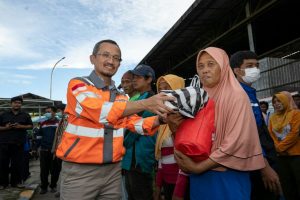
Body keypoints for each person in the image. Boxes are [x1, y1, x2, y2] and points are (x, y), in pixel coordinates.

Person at [55, 39, 173, 200]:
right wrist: (146, 103)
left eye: (116, 58)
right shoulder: (78, 85)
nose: (111, 61)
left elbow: (134, 123)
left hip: (113, 171)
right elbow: (101, 112)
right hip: (80, 172)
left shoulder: (120, 97)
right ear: (93, 58)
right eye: (106, 55)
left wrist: (161, 120)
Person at [169, 47, 265, 200]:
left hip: (227, 175)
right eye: (201, 66)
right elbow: (190, 136)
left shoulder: (236, 96)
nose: (205, 70)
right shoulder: (198, 98)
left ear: (223, 66)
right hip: (199, 176)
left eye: (211, 64)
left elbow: (236, 142)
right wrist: (174, 128)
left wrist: (199, 167)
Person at [230, 50, 281, 199]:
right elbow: (247, 135)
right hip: (256, 163)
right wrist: (264, 167)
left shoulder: (251, 92)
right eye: (250, 65)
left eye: (257, 65)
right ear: (236, 70)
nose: (256, 69)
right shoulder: (237, 95)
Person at [122, 64, 158, 200]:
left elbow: (135, 130)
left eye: (138, 77)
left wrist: (120, 145)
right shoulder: (138, 99)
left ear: (149, 79)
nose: (134, 80)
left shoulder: (152, 99)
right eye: (134, 77)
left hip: (141, 160)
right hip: (130, 159)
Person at [154, 74, 189, 200]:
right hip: (167, 182)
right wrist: (158, 186)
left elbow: (185, 159)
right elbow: (161, 158)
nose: (163, 92)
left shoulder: (185, 118)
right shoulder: (163, 121)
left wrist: (178, 192)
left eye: (167, 88)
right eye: (160, 89)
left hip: (182, 185)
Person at [268, 92, 300, 200]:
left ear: (285, 101)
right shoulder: (272, 118)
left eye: (279, 101)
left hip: (296, 155)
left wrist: (279, 148)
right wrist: (278, 149)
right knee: (287, 185)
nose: (276, 104)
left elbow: (294, 133)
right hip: (281, 157)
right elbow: (271, 135)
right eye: (274, 102)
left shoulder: (296, 114)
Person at [0, 96, 33, 189]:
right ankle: (3, 183)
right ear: (11, 104)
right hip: (4, 143)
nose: (17, 104)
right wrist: (6, 128)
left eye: (19, 102)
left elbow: (30, 126)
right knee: (3, 163)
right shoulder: (3, 115)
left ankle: (16, 182)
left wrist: (20, 126)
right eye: (15, 102)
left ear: (21, 104)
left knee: (17, 164)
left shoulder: (25, 115)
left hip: (18, 143)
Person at [37, 106, 60, 194]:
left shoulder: (59, 123)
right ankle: (44, 187)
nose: (47, 113)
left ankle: (53, 186)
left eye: (49, 111)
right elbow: (39, 136)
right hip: (44, 150)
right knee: (44, 170)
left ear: (54, 112)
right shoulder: (42, 123)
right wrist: (36, 147)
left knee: (55, 170)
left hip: (55, 151)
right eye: (46, 112)